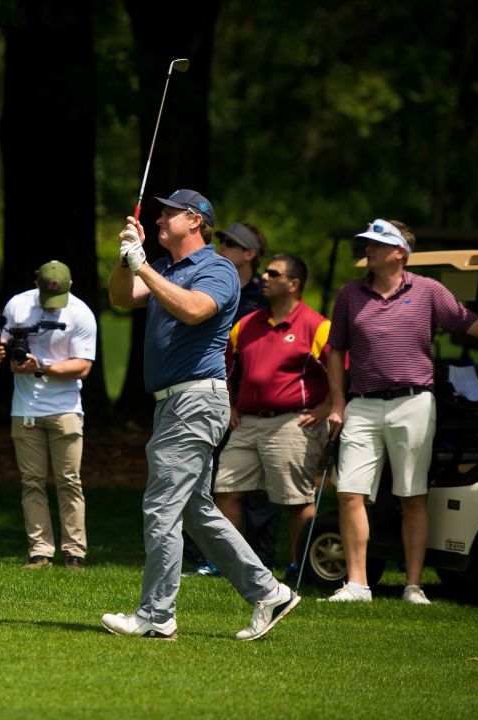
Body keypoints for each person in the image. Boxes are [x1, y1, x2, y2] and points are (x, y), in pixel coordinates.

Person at [101, 189, 299, 641]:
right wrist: (126, 259)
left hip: (194, 398)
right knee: (196, 512)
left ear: (194, 220)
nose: (157, 219)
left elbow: (194, 310)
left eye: (167, 213)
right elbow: (120, 296)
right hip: (174, 402)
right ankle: (269, 592)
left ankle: (157, 615)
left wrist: (145, 266)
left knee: (161, 507)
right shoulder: (166, 268)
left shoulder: (218, 269)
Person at [323, 219, 478, 604]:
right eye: (366, 243)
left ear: (398, 253)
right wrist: (337, 402)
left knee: (413, 495)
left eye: (375, 244)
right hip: (362, 403)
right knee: (349, 492)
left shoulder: (428, 290)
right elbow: (335, 350)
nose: (366, 249)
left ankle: (413, 584)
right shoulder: (350, 295)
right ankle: (357, 584)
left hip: (413, 402)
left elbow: (472, 327)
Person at [214, 253, 330, 587]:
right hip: (247, 423)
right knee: (226, 490)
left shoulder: (317, 326)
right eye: (265, 272)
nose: (264, 277)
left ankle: (299, 567)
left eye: (274, 273)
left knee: (296, 501)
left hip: (293, 423)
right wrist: (230, 405)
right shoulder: (245, 325)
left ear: (294, 284)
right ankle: (229, 564)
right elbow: (227, 369)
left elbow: (342, 371)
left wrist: (328, 405)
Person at [182, 221, 276, 577]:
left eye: (231, 244)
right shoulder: (204, 283)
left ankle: (261, 559)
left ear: (250, 254)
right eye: (221, 241)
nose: (222, 247)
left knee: (260, 492)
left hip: (249, 397)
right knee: (208, 479)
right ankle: (206, 557)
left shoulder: (262, 298)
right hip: (214, 392)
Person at [0, 261, 97, 571]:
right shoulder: (17, 305)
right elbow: (5, 344)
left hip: (65, 409)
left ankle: (74, 553)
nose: (52, 307)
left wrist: (41, 367)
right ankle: (40, 552)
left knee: (69, 482)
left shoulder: (80, 313)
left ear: (70, 285)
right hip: (24, 408)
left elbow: (84, 366)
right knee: (32, 482)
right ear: (36, 281)